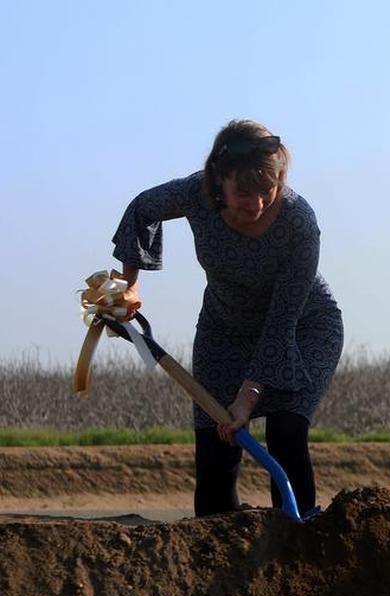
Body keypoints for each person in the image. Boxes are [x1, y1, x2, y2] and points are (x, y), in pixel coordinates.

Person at [111, 119, 344, 515]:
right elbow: (142, 209)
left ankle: (297, 541)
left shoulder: (299, 223)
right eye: (243, 193)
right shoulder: (194, 194)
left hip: (301, 329)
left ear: (280, 179)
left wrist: (247, 396)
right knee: (217, 450)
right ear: (220, 178)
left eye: (266, 191)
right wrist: (127, 286)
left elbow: (281, 323)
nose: (255, 204)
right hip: (225, 331)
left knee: (286, 431)